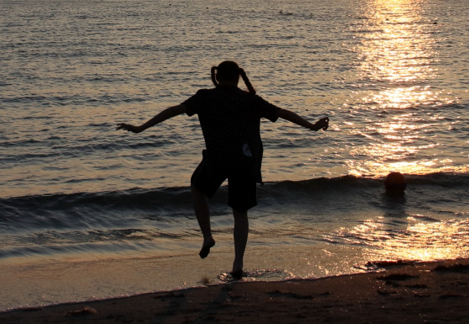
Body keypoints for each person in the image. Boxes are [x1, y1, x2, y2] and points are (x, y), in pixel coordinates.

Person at [117, 60, 328, 278]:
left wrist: (141, 127)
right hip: (245, 160)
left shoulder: (205, 97)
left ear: (217, 77)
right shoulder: (250, 100)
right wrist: (311, 126)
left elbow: (174, 110)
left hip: (217, 159)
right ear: (238, 77)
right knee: (240, 212)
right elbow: (283, 113)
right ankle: (237, 264)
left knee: (197, 188)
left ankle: (207, 236)